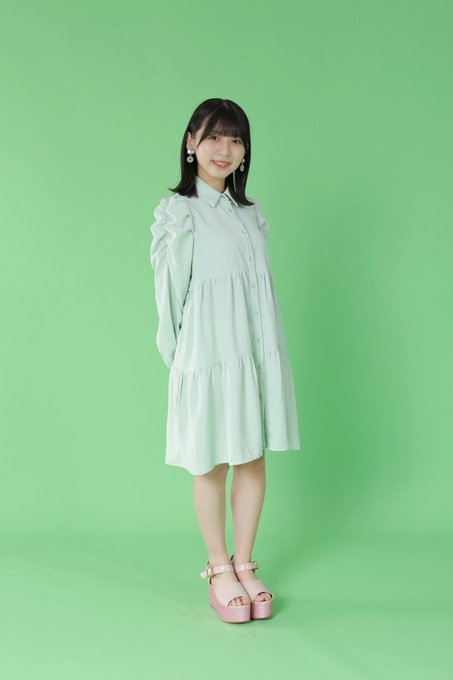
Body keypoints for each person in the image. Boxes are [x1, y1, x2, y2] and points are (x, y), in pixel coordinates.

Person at [149, 98, 301, 623]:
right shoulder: (180, 213)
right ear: (191, 143)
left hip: (254, 352)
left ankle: (244, 561)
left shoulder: (250, 214)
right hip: (209, 353)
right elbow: (170, 295)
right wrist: (184, 363)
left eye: (235, 139)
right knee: (211, 459)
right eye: (213, 136)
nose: (225, 149)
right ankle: (218, 567)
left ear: (245, 150)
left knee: (252, 456)